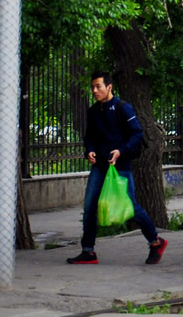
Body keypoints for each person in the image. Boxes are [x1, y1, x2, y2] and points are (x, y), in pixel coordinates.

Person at [67, 71, 167, 265]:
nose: (95, 91)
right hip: (100, 167)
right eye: (93, 87)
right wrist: (90, 150)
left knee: (130, 207)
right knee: (89, 208)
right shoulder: (94, 111)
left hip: (119, 167)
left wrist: (121, 150)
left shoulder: (123, 108)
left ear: (109, 87)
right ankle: (88, 251)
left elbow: (137, 133)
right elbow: (90, 137)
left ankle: (156, 242)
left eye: (99, 86)